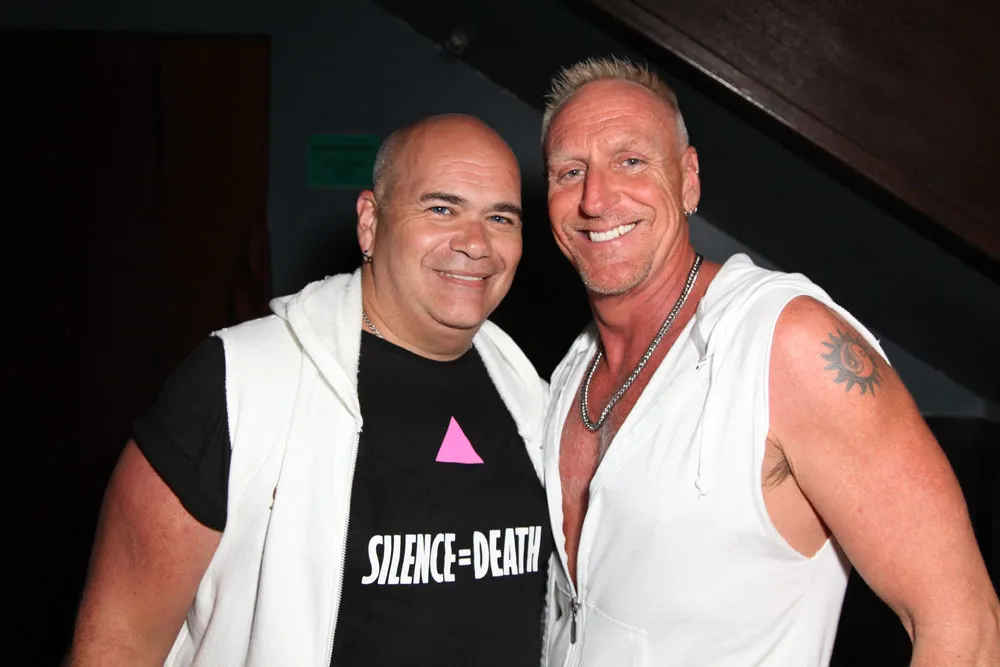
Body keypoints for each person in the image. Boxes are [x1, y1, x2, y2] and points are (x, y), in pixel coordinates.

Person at [539, 57, 1000, 666]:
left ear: (689, 179)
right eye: (570, 171)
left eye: (631, 161)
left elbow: (964, 627)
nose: (595, 199)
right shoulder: (572, 370)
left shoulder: (789, 344)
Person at [66, 114, 554, 667]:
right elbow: (119, 640)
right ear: (370, 222)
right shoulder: (237, 382)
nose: (476, 244)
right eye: (441, 209)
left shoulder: (535, 400)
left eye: (500, 218)